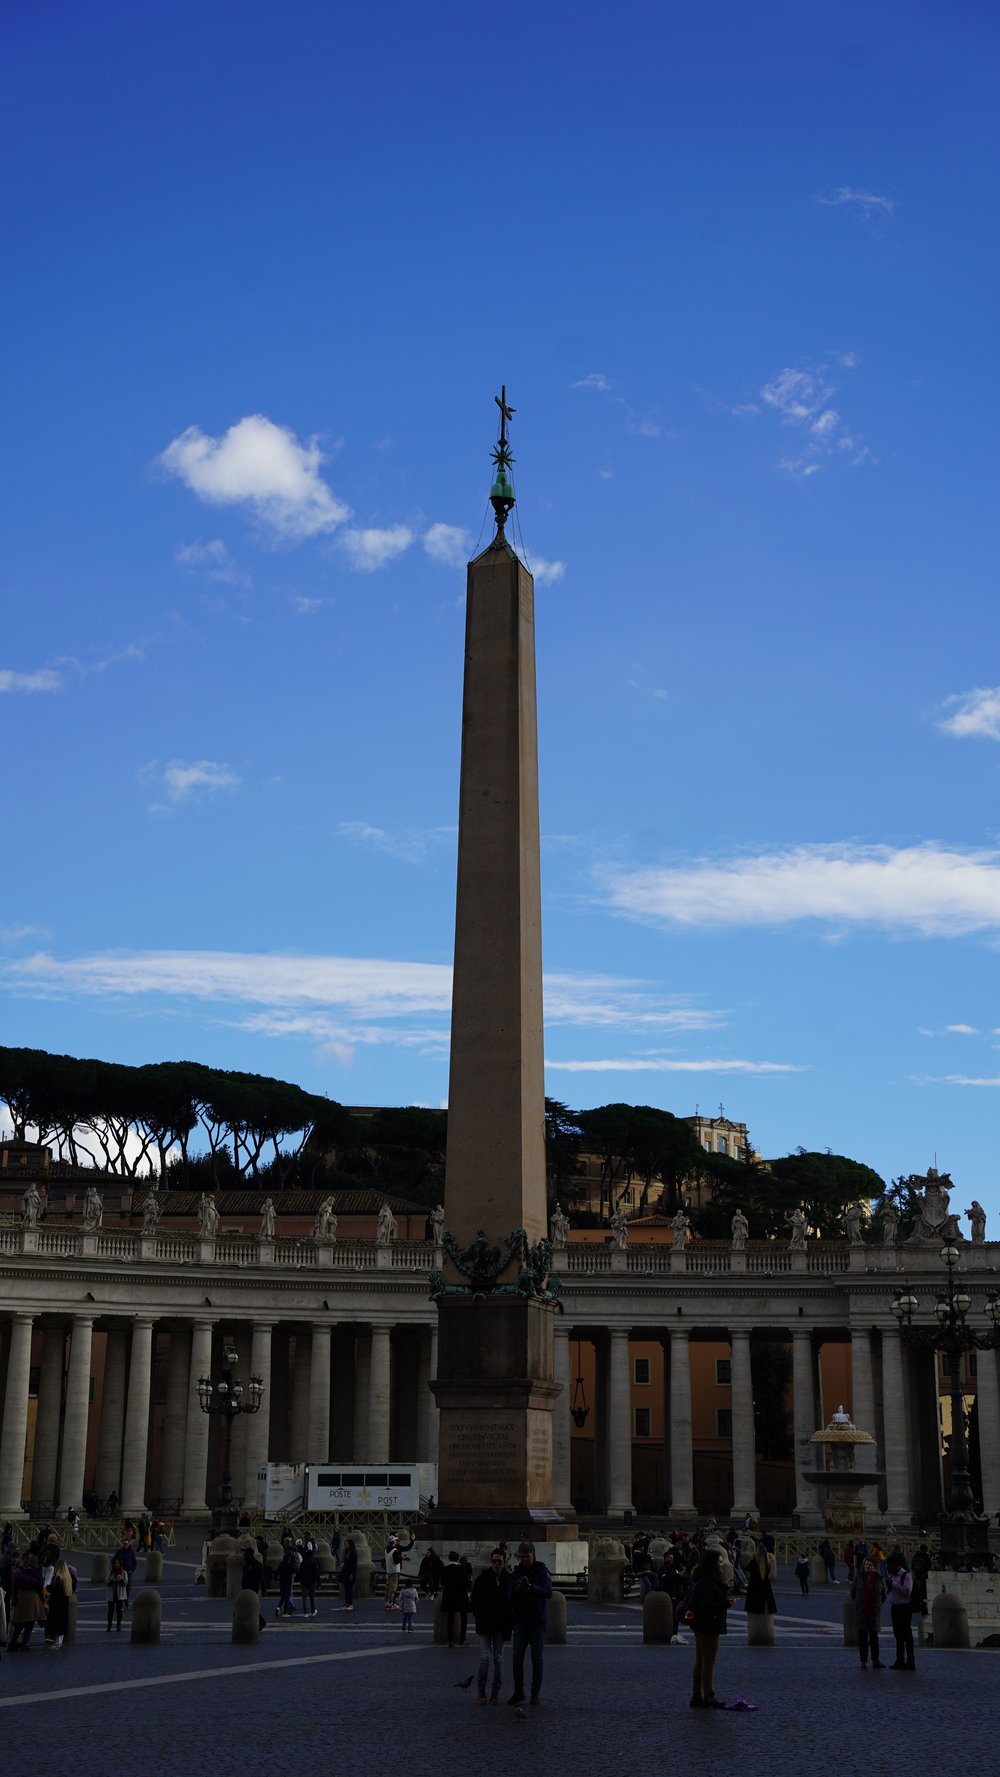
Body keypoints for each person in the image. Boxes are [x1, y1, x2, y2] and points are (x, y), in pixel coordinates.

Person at [507, 1538, 552, 1707]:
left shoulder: (542, 1570)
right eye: (522, 1556)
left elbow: (548, 1592)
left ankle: (535, 1694)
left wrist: (532, 1587)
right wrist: (516, 1589)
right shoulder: (516, 1572)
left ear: (533, 1555)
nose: (524, 1559)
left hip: (536, 1622)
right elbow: (509, 1596)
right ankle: (519, 1692)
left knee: (536, 1659)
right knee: (517, 1658)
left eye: (527, 1556)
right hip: (520, 1621)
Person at [687, 1547, 729, 1709]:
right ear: (713, 1564)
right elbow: (707, 1603)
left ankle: (697, 1695)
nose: (722, 1564)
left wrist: (724, 1588)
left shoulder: (703, 1579)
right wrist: (726, 1603)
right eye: (720, 1562)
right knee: (709, 1661)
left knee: (700, 1661)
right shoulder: (709, 1581)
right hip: (708, 1625)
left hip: (700, 1625)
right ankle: (709, 1696)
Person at [471, 1549, 513, 1704]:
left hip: (501, 1626)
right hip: (485, 1624)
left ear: (504, 1562)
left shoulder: (508, 1579)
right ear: (491, 1561)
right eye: (494, 1561)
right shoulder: (482, 1579)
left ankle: (495, 1692)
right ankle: (481, 1690)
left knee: (498, 1660)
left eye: (499, 1561)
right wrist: (480, 1616)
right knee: (484, 1658)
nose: (496, 1564)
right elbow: (474, 1601)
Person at [850, 1556, 886, 1669]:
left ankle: (876, 1660)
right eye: (866, 1564)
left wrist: (877, 1605)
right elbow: (853, 1592)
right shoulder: (859, 1577)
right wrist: (859, 1604)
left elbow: (883, 1595)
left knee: (874, 1638)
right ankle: (863, 1661)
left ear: (874, 1567)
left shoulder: (879, 1579)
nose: (867, 1566)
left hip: (873, 1611)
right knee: (862, 1638)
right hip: (862, 1611)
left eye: (870, 1565)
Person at [9, 1552, 45, 1650]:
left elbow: (15, 1586)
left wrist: (15, 1598)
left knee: (19, 1624)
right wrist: (42, 1601)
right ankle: (24, 1643)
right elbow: (40, 1588)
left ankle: (12, 1644)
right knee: (30, 1623)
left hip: (21, 1598)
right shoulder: (37, 1574)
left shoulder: (21, 1572)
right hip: (33, 1600)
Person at [886, 1556, 915, 1670]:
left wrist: (893, 1584)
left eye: (890, 1566)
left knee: (907, 1635)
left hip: (905, 1608)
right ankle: (900, 1660)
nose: (888, 1568)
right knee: (898, 1635)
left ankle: (911, 1661)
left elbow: (907, 1592)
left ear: (896, 1565)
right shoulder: (892, 1575)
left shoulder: (906, 1576)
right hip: (895, 1608)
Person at [440, 1551, 471, 1648]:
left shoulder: (445, 1569)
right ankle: (462, 1639)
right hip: (461, 1595)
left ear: (449, 1558)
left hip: (449, 1596)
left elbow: (442, 1583)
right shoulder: (462, 1568)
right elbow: (467, 1583)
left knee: (450, 1618)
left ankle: (450, 1641)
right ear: (457, 1559)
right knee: (464, 1617)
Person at [45, 1558, 76, 1651]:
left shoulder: (57, 1578)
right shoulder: (68, 1578)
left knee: (56, 1624)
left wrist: (47, 1586)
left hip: (56, 1604)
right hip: (64, 1603)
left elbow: (52, 1589)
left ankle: (57, 1644)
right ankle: (59, 1642)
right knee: (62, 1623)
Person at [744, 1545, 776, 1622]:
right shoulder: (767, 1562)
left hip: (754, 1586)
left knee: (754, 1608)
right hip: (765, 1586)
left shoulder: (754, 1562)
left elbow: (747, 1568)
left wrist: (753, 1558)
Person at [241, 1543, 268, 1634]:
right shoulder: (246, 1565)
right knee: (248, 1607)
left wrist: (264, 1589)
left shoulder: (256, 1565)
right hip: (246, 1588)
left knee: (250, 1607)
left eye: (245, 1553)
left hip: (253, 1588)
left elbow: (261, 1578)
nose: (243, 1555)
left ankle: (261, 1622)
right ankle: (256, 1623)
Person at [106, 1557, 129, 1632]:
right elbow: (106, 1582)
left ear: (120, 1564)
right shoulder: (111, 1572)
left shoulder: (123, 1572)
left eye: (118, 1563)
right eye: (115, 1563)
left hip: (120, 1595)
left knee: (119, 1611)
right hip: (112, 1594)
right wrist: (113, 1580)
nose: (116, 1565)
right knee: (110, 1611)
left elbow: (126, 1583)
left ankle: (118, 1625)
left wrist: (121, 1579)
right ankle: (109, 1625)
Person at [298, 1540, 321, 1618]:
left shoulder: (303, 1562)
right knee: (312, 1597)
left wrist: (300, 1580)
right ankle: (313, 1610)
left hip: (304, 1581)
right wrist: (318, 1584)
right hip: (311, 1582)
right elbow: (317, 1574)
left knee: (304, 1598)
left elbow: (299, 1572)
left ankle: (305, 1613)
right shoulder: (314, 1563)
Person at [339, 1537, 357, 1611]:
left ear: (350, 1545)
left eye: (346, 1544)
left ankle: (350, 1604)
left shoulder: (353, 1553)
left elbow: (354, 1564)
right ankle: (347, 1603)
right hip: (346, 1572)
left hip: (350, 1573)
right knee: (346, 1589)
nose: (345, 1545)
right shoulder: (347, 1552)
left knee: (349, 1589)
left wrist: (352, 1574)